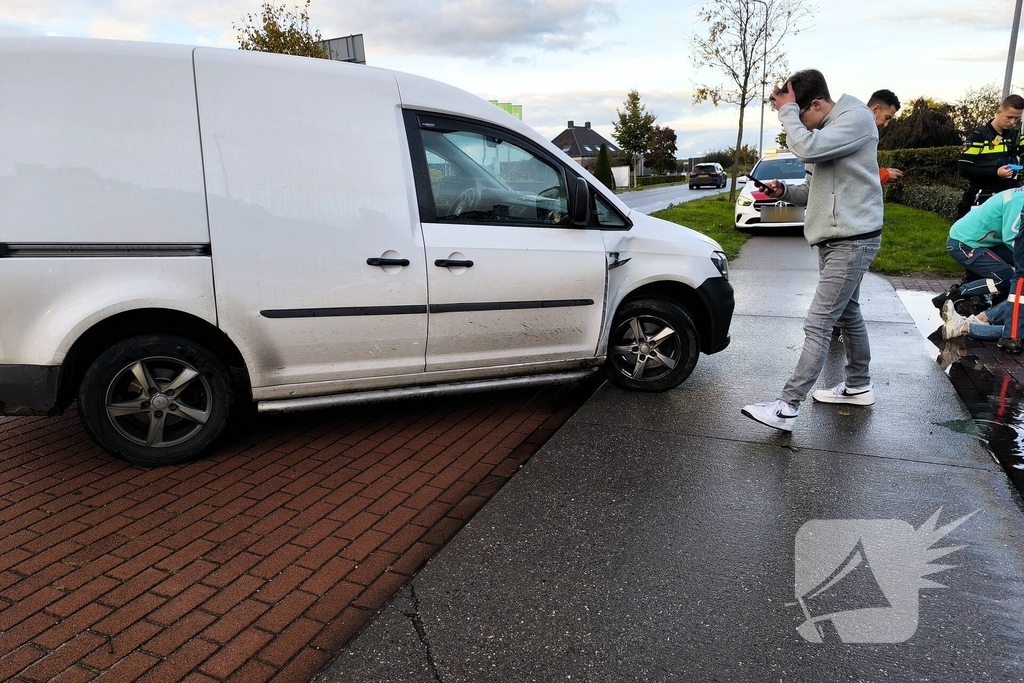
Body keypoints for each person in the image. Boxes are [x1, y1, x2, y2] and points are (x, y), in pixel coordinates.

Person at [742, 69, 884, 432]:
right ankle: (857, 385)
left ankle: (787, 407)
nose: (798, 125)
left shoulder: (855, 119)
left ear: (816, 104)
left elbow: (806, 146)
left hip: (852, 239)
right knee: (847, 313)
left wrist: (787, 111)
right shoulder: (828, 131)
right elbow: (812, 187)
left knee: (818, 322)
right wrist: (783, 193)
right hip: (837, 237)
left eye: (800, 114)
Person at [930, 187, 1023, 311]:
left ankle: (999, 302)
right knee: (1006, 278)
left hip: (983, 243)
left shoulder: (1020, 194)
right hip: (964, 243)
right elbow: (1011, 236)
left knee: (1015, 267)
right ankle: (954, 295)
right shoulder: (1019, 200)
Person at [956, 94, 1024, 218]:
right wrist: (995, 172)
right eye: (1009, 117)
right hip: (983, 199)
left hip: (1009, 199)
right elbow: (964, 169)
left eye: (1017, 118)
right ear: (998, 112)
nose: (1012, 122)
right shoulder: (978, 137)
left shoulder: (1015, 136)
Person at [867, 89, 903, 184]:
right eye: (886, 118)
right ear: (876, 109)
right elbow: (849, 175)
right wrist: (883, 175)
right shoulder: (860, 130)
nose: (885, 124)